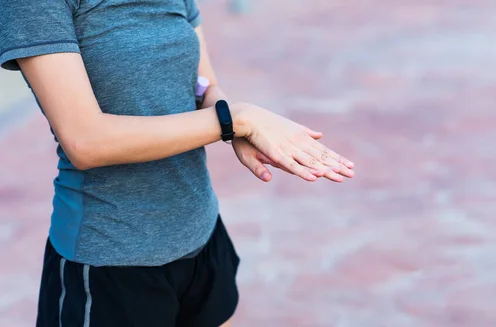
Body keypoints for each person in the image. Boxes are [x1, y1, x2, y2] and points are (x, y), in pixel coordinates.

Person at [0, 1, 355, 327]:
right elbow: (85, 141)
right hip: (111, 259)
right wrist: (235, 120)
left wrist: (233, 123)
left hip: (201, 233)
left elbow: (204, 86)